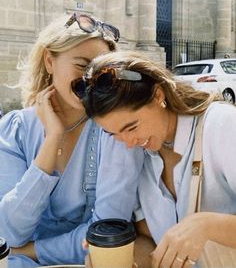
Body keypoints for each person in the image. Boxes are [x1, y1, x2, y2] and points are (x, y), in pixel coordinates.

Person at [0, 15, 144, 268]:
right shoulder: (15, 130)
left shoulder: (114, 133)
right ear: (49, 61)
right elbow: (8, 233)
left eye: (100, 71)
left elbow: (106, 235)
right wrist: (51, 141)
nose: (90, 79)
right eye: (81, 65)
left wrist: (32, 251)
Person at [79, 50, 236, 268]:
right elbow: (150, 241)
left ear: (158, 95)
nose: (128, 142)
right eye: (113, 134)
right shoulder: (138, 155)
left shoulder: (222, 125)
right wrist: (120, 256)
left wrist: (207, 225)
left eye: (131, 127)